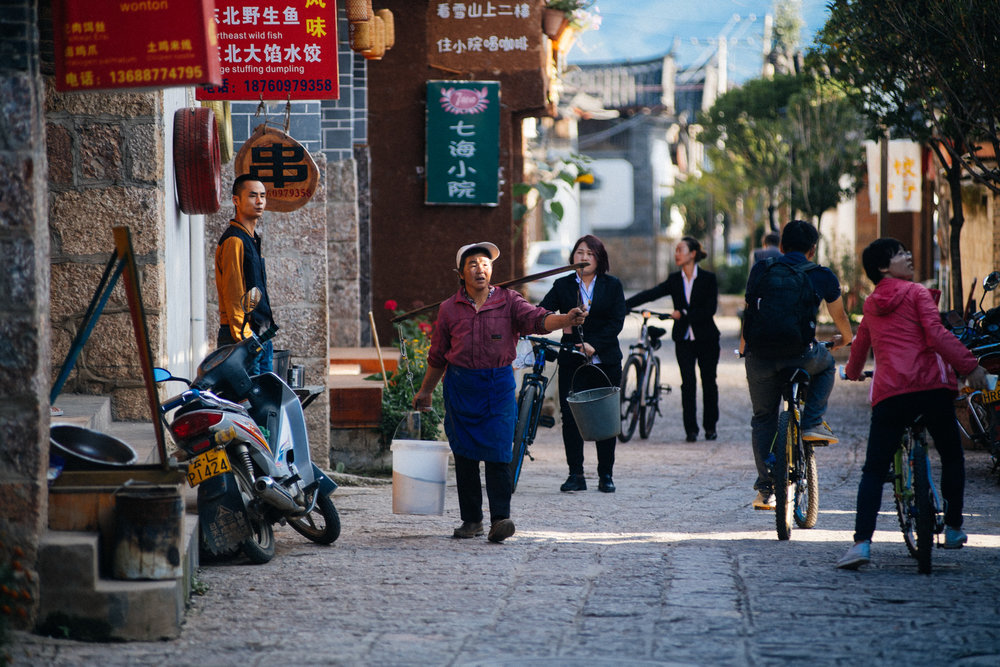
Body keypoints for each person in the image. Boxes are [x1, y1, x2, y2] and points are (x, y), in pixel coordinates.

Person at [413, 242, 587, 543]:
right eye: (472, 264)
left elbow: (538, 319)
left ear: (491, 270)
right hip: (461, 388)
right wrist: (426, 391)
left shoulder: (510, 301)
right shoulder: (448, 309)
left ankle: (500, 519)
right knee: (465, 456)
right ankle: (471, 521)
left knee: (498, 453)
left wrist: (566, 320)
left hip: (498, 386)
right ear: (460, 273)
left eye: (485, 263)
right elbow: (438, 356)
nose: (480, 269)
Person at [836, 239, 989, 569]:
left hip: (891, 394)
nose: (908, 255)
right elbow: (935, 335)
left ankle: (862, 544)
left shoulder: (872, 303)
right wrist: (969, 366)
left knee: (874, 470)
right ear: (883, 267)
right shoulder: (916, 293)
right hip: (931, 387)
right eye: (899, 253)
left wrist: (851, 373)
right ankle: (952, 528)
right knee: (951, 454)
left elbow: (861, 345)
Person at [740, 220, 853, 510]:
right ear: (813, 250)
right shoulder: (821, 275)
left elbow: (750, 310)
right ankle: (813, 421)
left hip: (760, 356)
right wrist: (844, 340)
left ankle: (766, 488)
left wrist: (744, 347)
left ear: (780, 247)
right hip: (800, 353)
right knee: (826, 365)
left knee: (763, 417)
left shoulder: (762, 269)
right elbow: (841, 320)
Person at [539, 235, 626, 493]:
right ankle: (575, 474)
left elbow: (616, 322)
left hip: (605, 360)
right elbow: (543, 310)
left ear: (599, 259)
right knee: (570, 418)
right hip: (572, 361)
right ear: (572, 258)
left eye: (590, 253)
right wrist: (562, 320)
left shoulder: (612, 285)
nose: (584, 257)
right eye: (579, 252)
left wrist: (594, 345)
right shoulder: (563, 284)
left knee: (606, 417)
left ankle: (605, 474)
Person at [625, 236, 720, 443]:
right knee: (688, 383)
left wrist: (684, 314)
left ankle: (710, 427)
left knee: (709, 383)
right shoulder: (674, 280)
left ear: (692, 254)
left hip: (707, 339)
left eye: (680, 249)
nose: (676, 253)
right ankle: (691, 430)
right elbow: (652, 293)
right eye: (676, 250)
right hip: (684, 339)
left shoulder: (708, 279)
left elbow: (709, 310)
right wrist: (625, 304)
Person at [215, 174, 274, 374]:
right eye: (252, 196)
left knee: (263, 402)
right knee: (245, 404)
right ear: (236, 200)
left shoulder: (252, 238)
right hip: (242, 338)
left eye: (263, 196)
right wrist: (246, 337)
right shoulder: (234, 240)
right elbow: (234, 294)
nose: (259, 201)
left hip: (259, 335)